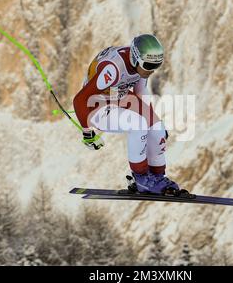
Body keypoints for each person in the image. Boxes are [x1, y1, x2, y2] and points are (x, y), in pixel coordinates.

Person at [73, 34, 180, 195]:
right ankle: (141, 178)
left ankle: (158, 177)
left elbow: (141, 94)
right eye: (149, 65)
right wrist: (88, 134)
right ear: (136, 58)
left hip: (119, 97)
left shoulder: (140, 68)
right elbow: (80, 99)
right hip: (96, 106)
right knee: (138, 124)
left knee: (157, 129)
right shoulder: (113, 69)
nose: (151, 70)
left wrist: (155, 120)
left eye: (156, 65)